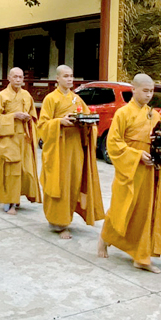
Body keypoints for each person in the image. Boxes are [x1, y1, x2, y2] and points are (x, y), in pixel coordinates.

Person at [97, 74, 161, 273]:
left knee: (145, 212)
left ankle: (141, 256)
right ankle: (104, 238)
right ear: (134, 90)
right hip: (130, 170)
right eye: (145, 91)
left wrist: (160, 148)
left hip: (150, 171)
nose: (149, 95)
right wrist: (137, 155)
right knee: (122, 207)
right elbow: (113, 144)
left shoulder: (153, 115)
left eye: (151, 91)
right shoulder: (123, 113)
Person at [38, 65, 104, 239]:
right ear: (57, 78)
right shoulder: (51, 99)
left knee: (73, 184)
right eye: (65, 76)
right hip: (58, 149)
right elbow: (42, 126)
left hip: (75, 148)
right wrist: (59, 122)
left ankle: (66, 218)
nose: (69, 79)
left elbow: (88, 118)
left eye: (71, 76)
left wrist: (87, 125)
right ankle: (59, 222)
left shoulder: (77, 99)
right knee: (59, 184)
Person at [0, 67, 41, 214]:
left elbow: (34, 116)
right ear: (9, 78)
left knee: (25, 170)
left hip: (24, 137)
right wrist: (13, 116)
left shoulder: (26, 95)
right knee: (10, 170)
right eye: (15, 77)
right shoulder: (2, 96)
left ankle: (18, 197)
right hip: (9, 137)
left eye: (20, 77)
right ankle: (9, 201)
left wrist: (28, 119)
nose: (18, 80)